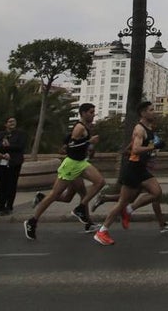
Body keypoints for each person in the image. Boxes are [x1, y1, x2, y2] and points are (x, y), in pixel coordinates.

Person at [93, 101, 168, 246]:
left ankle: (129, 210)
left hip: (141, 168)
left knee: (156, 193)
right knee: (122, 202)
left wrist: (138, 149)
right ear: (143, 113)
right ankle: (102, 231)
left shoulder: (148, 128)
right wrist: (154, 146)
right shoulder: (139, 128)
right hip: (133, 168)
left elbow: (133, 145)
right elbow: (136, 149)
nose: (154, 112)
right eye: (151, 110)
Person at [23, 103, 105, 240]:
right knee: (55, 195)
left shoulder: (86, 127)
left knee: (98, 183)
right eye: (91, 112)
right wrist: (89, 142)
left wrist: (89, 148)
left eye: (93, 112)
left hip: (81, 163)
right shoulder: (79, 127)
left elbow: (74, 145)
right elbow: (72, 146)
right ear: (83, 113)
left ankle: (84, 215)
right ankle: (32, 221)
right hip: (71, 165)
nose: (93, 115)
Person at [0, 117, 27, 215]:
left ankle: (9, 206)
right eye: (10, 121)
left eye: (14, 121)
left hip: (14, 162)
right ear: (5, 124)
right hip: (1, 162)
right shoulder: (0, 134)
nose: (12, 123)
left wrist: (8, 146)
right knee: (2, 185)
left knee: (11, 185)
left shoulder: (21, 134)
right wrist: (3, 146)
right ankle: (0, 206)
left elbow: (21, 147)